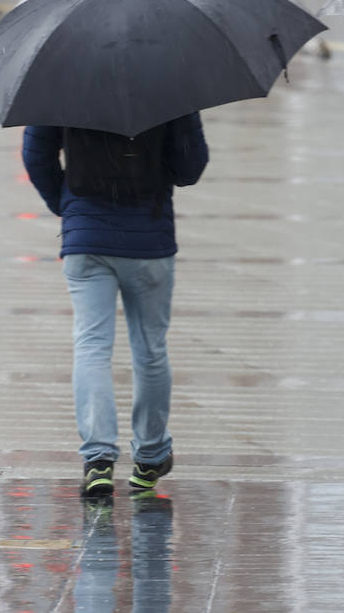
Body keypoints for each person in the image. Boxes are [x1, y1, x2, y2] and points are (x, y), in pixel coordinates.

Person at [22, 115, 208, 498]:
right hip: (149, 238)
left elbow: (35, 154)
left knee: (91, 345)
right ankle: (151, 456)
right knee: (150, 349)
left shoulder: (62, 78)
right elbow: (191, 167)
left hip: (86, 239)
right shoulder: (169, 80)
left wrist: (68, 204)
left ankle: (98, 459)